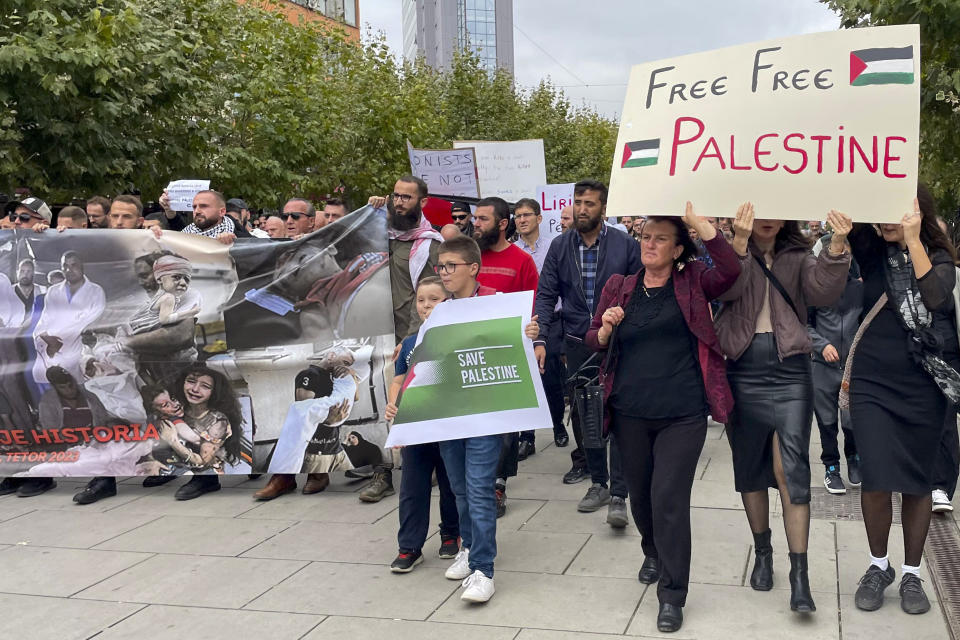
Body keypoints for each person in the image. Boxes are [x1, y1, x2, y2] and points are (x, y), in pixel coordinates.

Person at [586, 205, 740, 633]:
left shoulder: (693, 282)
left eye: (659, 239)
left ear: (677, 250)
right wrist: (604, 330)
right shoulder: (621, 286)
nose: (648, 244)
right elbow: (592, 335)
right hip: (630, 413)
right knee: (641, 497)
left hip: (683, 413)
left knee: (668, 497)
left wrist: (701, 224)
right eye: (645, 237)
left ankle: (673, 594)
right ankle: (652, 550)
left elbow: (729, 270)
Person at [715, 204, 851, 614]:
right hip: (743, 369)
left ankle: (800, 574)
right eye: (759, 210)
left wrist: (837, 245)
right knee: (750, 468)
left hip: (791, 371)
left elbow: (824, 291)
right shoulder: (728, 251)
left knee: (792, 470)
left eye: (776, 210)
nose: (766, 219)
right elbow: (725, 290)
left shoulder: (799, 255)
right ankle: (762, 552)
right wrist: (737, 244)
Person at [845, 188, 959, 615]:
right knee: (875, 475)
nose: (886, 218)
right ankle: (878, 566)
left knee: (916, 481)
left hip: (923, 389)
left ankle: (912, 572)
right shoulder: (872, 249)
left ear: (917, 213)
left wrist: (913, 242)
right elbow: (846, 190)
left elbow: (935, 298)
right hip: (873, 383)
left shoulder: (939, 257)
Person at [432, 234, 538, 603]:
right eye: (440, 266)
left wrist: (529, 335)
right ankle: (469, 546)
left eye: (450, 266)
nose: (444, 273)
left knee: (478, 488)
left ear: (473, 268)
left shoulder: (497, 302)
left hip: (487, 415)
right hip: (449, 413)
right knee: (459, 487)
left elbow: (517, 348)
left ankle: (483, 570)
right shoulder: (440, 309)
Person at [534, 180, 639, 527]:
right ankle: (598, 483)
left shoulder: (625, 244)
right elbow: (546, 294)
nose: (582, 209)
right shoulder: (560, 246)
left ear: (603, 209)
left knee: (621, 414)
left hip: (620, 341)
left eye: (589, 203)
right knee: (587, 414)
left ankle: (621, 495)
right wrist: (542, 341)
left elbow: (643, 288)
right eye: (578, 202)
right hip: (579, 341)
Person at [359, 176, 442, 503]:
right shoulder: (377, 232)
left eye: (407, 197)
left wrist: (409, 342)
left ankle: (426, 463)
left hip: (407, 338)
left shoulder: (429, 243)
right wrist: (367, 212)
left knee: (412, 400)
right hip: (373, 333)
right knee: (375, 401)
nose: (399, 202)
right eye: (395, 196)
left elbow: (425, 297)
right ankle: (381, 473)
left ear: (422, 201)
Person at [388, 276, 461, 573]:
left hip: (448, 426)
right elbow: (398, 380)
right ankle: (409, 546)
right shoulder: (408, 343)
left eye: (434, 299)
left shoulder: (457, 338)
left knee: (450, 484)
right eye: (421, 299)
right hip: (416, 427)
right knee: (412, 487)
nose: (426, 305)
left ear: (448, 302)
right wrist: (394, 404)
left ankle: (450, 534)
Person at [472, 196, 539, 517]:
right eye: (475, 218)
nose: (476, 224)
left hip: (507, 355)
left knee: (505, 426)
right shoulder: (467, 258)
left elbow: (534, 307)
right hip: (469, 355)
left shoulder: (522, 261)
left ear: (502, 224)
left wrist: (536, 340)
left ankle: (497, 485)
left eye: (483, 219)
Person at [807, 241, 863, 495]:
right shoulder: (815, 293)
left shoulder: (861, 290)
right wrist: (821, 345)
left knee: (851, 421)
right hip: (822, 367)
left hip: (851, 369)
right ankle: (831, 468)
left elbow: (867, 325)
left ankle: (854, 457)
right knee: (827, 422)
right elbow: (802, 325)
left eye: (846, 255)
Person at [513, 197, 568, 450]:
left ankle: (558, 425)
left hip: (552, 322)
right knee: (525, 379)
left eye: (526, 215)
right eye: (517, 216)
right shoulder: (513, 251)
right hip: (523, 325)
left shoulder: (554, 247)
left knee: (551, 377)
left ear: (539, 218)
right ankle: (527, 437)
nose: (521, 220)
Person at [32, 251, 106, 385]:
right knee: (49, 386)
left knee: (81, 389)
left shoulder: (96, 292)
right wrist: (47, 339)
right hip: (50, 349)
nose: (68, 270)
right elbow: (44, 321)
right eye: (64, 266)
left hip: (79, 350)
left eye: (73, 265)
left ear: (82, 266)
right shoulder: (53, 291)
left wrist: (59, 342)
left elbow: (87, 325)